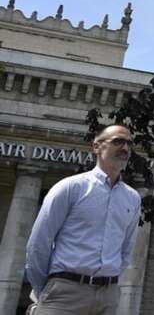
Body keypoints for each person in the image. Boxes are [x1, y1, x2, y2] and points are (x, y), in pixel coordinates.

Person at [25, 125, 141, 315]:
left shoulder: (132, 198)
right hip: (64, 294)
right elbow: (39, 244)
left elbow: (126, 249)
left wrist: (108, 281)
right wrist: (46, 289)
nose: (125, 148)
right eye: (118, 141)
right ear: (96, 146)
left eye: (129, 143)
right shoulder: (70, 188)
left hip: (107, 296)